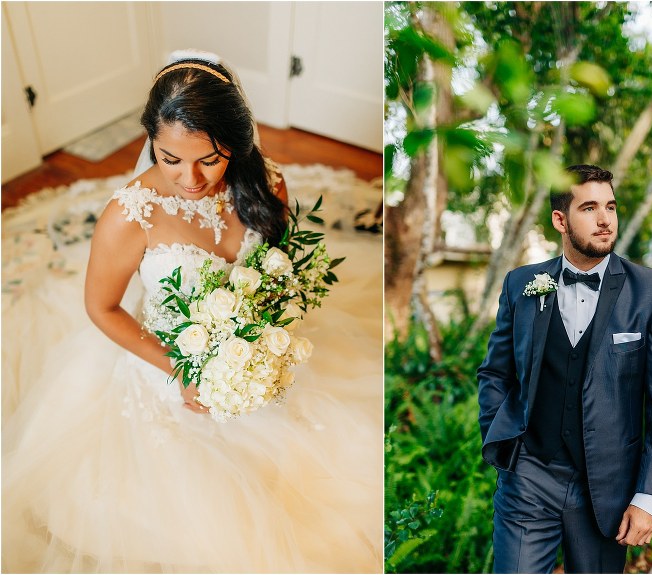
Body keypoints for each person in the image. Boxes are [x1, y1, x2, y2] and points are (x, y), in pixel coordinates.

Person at [3, 51, 382, 572]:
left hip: (248, 347)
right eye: (169, 158)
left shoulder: (267, 185)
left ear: (237, 143)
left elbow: (275, 265)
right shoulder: (129, 214)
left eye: (209, 158)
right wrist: (182, 369)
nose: (190, 179)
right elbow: (101, 306)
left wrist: (259, 334)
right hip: (161, 364)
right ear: (151, 144)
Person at [477, 164, 652, 573]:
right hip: (529, 476)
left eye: (610, 206)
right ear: (560, 220)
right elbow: (496, 373)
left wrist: (648, 497)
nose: (605, 219)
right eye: (589, 208)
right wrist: (500, 437)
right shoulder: (521, 284)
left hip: (607, 488)